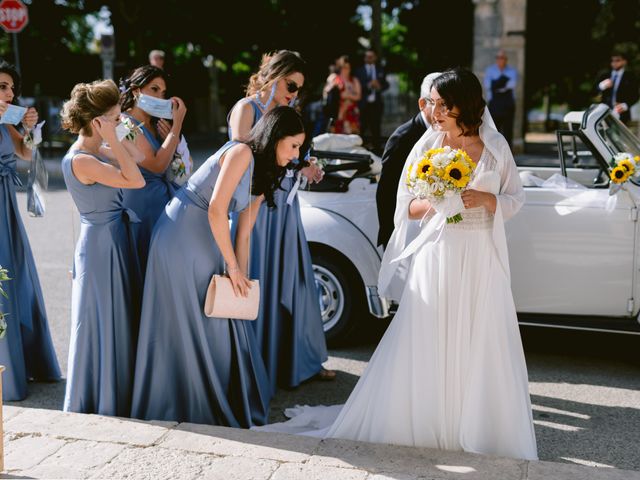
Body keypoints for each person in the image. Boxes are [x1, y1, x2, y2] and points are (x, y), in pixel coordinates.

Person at [257, 68, 538, 462]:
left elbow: (515, 200)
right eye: (433, 103)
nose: (434, 111)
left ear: (465, 105)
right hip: (438, 254)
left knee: (478, 335)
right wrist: (442, 199)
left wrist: (488, 201)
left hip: (479, 256)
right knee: (432, 335)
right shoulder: (426, 148)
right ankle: (429, 420)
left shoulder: (495, 147)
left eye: (443, 104)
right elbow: (404, 208)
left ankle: (475, 424)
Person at [131, 106, 307, 426]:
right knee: (189, 317)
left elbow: (244, 232)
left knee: (217, 316)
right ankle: (177, 402)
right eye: (293, 145)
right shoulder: (241, 151)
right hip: (182, 231)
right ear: (275, 137)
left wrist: (243, 280)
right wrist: (232, 267)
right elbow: (216, 210)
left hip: (212, 238)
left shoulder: (269, 172)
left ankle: (209, 398)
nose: (297, 155)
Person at [228, 50, 333, 393]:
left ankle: (298, 360)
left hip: (285, 207)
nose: (294, 93)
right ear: (274, 74)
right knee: (260, 274)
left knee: (292, 278)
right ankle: (258, 360)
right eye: (291, 84)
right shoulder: (247, 109)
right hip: (257, 206)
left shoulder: (288, 113)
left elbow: (290, 152)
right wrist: (291, 164)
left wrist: (304, 165)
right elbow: (240, 156)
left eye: (299, 89)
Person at [60, 79, 146, 416]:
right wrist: (112, 137)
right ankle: (97, 397)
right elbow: (136, 180)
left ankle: (118, 391)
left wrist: (117, 132)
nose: (121, 120)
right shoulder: (82, 159)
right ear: (96, 121)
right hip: (100, 244)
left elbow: (138, 156)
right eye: (114, 116)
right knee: (102, 319)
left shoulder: (99, 150)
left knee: (118, 315)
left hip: (114, 238)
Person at [0, 61, 61, 401]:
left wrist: (31, 130)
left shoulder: (7, 120)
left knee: (14, 275)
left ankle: (23, 360)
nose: (9, 94)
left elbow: (25, 153)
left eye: (11, 88)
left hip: (5, 205)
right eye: (2, 87)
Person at [119, 65, 188, 273]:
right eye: (154, 89)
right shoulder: (123, 123)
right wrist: (177, 127)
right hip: (140, 205)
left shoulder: (157, 124)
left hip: (163, 201)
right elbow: (156, 164)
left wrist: (173, 138)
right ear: (136, 91)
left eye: (163, 92)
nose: (160, 97)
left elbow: (178, 162)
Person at [376, 72, 441, 249]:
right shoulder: (403, 138)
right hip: (407, 230)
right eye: (437, 103)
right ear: (422, 104)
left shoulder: (447, 132)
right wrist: (391, 235)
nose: (443, 111)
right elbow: (387, 191)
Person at [355, 49, 389, 152]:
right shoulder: (358, 70)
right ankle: (360, 150)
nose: (369, 58)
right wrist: (369, 85)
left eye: (371, 56)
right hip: (363, 104)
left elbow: (386, 84)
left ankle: (377, 151)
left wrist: (379, 86)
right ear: (364, 58)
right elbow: (357, 85)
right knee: (362, 128)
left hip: (376, 104)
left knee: (376, 128)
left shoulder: (380, 69)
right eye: (367, 56)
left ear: (375, 57)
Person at [483, 50, 517, 147]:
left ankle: (508, 154)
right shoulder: (490, 70)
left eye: (503, 58)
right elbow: (488, 85)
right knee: (493, 130)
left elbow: (511, 85)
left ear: (506, 60)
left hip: (508, 103)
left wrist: (496, 83)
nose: (500, 60)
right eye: (498, 58)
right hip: (494, 103)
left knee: (508, 131)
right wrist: (503, 81)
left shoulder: (512, 71)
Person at [596, 51, 639, 125]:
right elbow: (593, 91)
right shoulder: (605, 75)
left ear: (624, 61)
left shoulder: (630, 76)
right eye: (612, 61)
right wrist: (601, 86)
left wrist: (625, 105)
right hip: (605, 112)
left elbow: (636, 95)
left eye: (617, 60)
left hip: (622, 114)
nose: (614, 63)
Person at [324, 55, 361, 134]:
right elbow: (326, 91)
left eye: (347, 67)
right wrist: (333, 86)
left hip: (351, 113)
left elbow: (359, 96)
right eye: (343, 67)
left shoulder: (354, 80)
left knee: (351, 137)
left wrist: (347, 95)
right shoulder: (334, 77)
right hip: (337, 113)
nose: (344, 70)